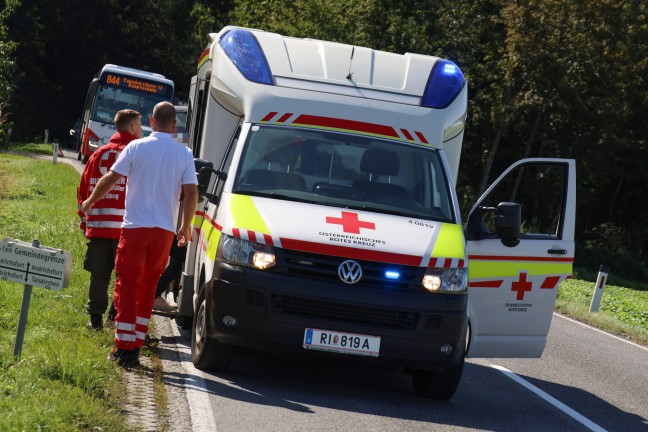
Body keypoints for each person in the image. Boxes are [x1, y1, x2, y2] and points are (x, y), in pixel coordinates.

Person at [81, 102, 198, 367]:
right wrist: (186, 226)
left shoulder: (136, 147)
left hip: (135, 228)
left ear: (151, 122)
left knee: (127, 284)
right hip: (164, 232)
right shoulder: (184, 152)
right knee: (148, 287)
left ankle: (124, 349)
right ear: (174, 126)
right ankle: (137, 340)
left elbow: (110, 179)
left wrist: (90, 202)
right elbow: (191, 193)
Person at [77, 109, 143, 330]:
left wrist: (84, 219)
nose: (142, 130)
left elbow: (83, 189)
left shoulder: (98, 154)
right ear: (132, 127)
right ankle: (115, 316)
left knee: (99, 274)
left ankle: (95, 320)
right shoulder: (136, 155)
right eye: (140, 125)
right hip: (127, 229)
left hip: (98, 228)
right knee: (123, 276)